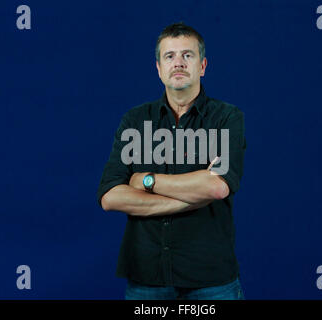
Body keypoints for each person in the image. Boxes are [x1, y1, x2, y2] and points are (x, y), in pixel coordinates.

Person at [96, 22, 246, 300]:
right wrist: (189, 198)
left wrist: (146, 180)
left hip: (211, 279)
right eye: (170, 56)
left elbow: (217, 187)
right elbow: (110, 196)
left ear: (202, 66)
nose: (178, 63)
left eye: (187, 55)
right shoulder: (135, 122)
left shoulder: (227, 118)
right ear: (158, 68)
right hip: (147, 278)